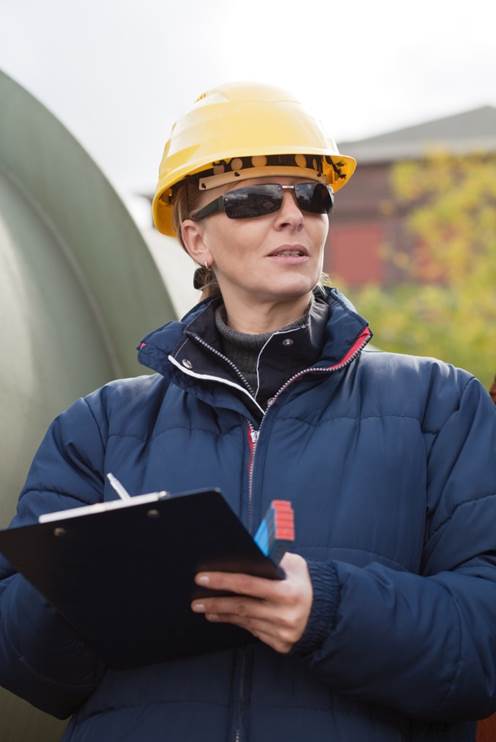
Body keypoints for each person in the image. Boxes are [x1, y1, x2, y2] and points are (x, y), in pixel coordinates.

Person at [0, 82, 495, 742]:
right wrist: (88, 583)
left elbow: (483, 643)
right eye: (256, 201)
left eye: (310, 196)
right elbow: (29, 667)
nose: (292, 215)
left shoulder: (440, 405)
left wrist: (328, 610)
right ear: (196, 239)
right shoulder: (99, 426)